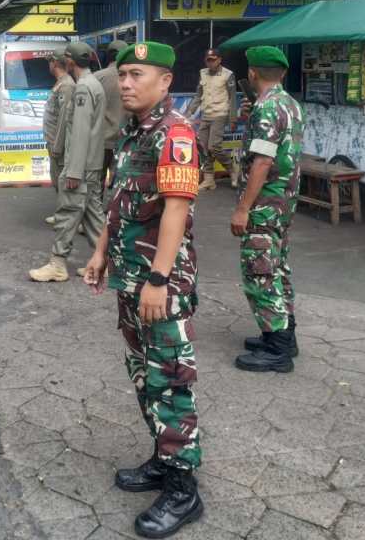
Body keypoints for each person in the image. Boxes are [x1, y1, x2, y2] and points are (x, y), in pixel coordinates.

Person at [83, 41, 203, 539]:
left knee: (170, 381)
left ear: (165, 81)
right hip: (129, 277)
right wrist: (99, 253)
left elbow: (176, 210)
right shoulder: (134, 132)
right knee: (143, 375)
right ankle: (162, 457)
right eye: (122, 75)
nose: (126, 83)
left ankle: (183, 490)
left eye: (136, 74)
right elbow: (118, 200)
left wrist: (157, 279)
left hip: (160, 284)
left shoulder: (175, 134)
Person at [232, 46, 304, 373]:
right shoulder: (288, 104)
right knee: (277, 267)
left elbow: (262, 160)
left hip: (264, 202)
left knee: (259, 271)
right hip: (284, 200)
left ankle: (277, 350)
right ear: (283, 73)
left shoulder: (266, 109)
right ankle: (283, 335)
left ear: (252, 73)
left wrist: (243, 208)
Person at [29, 41, 106, 282]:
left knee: (67, 213)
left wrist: (72, 170)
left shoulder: (83, 88)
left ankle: (57, 264)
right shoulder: (93, 84)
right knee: (94, 216)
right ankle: (105, 263)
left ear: (70, 61)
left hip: (80, 165)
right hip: (91, 163)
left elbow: (81, 131)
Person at [185, 47, 236, 191]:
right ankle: (209, 180)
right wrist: (189, 113)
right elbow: (198, 95)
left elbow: (232, 99)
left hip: (220, 115)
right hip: (205, 115)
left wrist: (232, 119)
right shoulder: (203, 73)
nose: (210, 63)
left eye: (213, 60)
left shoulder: (228, 75)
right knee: (203, 147)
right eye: (208, 60)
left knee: (214, 146)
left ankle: (232, 170)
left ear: (219, 60)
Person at [42, 54, 76, 225]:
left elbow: (64, 118)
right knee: (56, 179)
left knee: (62, 180)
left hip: (59, 142)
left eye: (49, 61)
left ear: (55, 63)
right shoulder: (61, 83)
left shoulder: (67, 86)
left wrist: (58, 145)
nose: (48, 65)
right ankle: (63, 213)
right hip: (53, 139)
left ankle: (67, 217)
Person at [94, 39, 129, 187]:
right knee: (120, 182)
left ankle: (96, 210)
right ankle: (115, 209)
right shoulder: (132, 78)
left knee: (97, 181)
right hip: (125, 140)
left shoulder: (97, 78)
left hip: (101, 140)